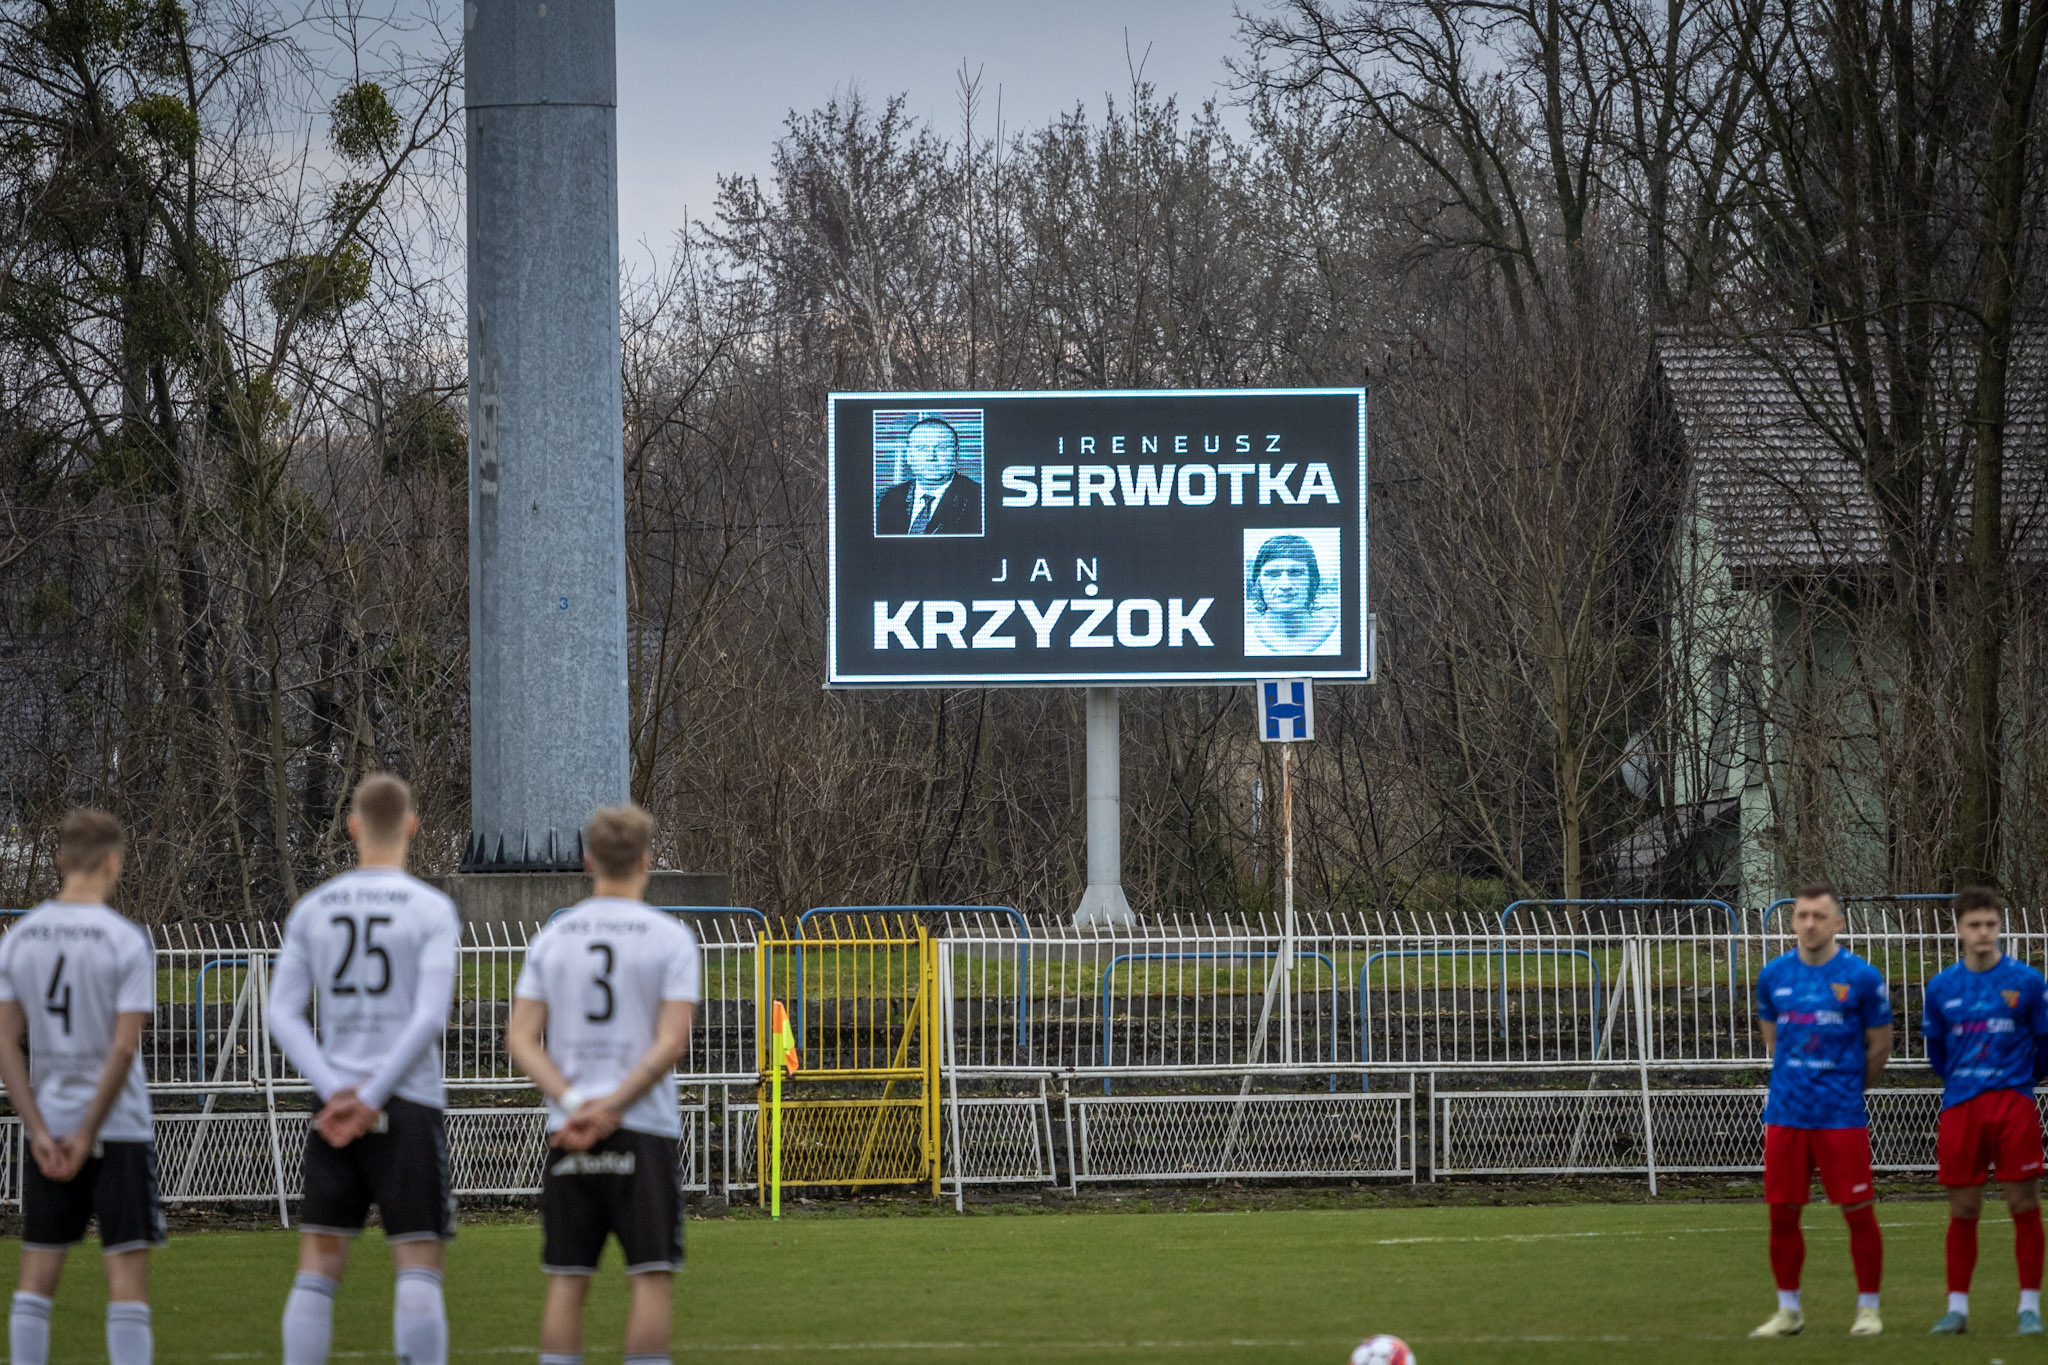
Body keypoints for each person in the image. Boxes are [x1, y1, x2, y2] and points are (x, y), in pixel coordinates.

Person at [266, 774, 459, 1365]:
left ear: (351, 826)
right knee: (419, 1268)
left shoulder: (314, 907)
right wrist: (372, 1097)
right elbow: (429, 1017)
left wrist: (337, 1092)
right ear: (411, 825)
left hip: (335, 1107)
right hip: (408, 1100)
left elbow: (281, 1014)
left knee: (318, 1270)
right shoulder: (431, 908)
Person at [506, 804, 701, 1365]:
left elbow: (520, 1039)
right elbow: (671, 1043)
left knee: (568, 1282)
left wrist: (576, 1105)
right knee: (650, 1280)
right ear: (646, 861)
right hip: (645, 1126)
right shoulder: (671, 938)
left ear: (588, 860)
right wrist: (612, 1107)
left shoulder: (554, 938)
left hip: (569, 1130)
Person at [0, 808, 161, 1365]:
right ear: (114, 862)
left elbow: (5, 1043)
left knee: (36, 1279)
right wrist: (90, 1130)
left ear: (60, 860)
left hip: (51, 1124)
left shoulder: (20, 938)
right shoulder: (126, 940)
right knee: (127, 1282)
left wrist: (39, 1131)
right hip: (119, 1127)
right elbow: (124, 1047)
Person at [1749, 881, 1893, 1338]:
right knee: (1782, 1215)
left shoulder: (1862, 977)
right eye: (1802, 916)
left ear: (1837, 923)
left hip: (1840, 1117)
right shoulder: (1773, 976)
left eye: (1819, 916)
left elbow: (1880, 1046)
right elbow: (1775, 1043)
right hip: (1786, 1115)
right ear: (1793, 921)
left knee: (1858, 1211)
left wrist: (1848, 1090)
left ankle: (1868, 1310)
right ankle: (1788, 1311)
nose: (1809, 924)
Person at [1922, 885, 2048, 1336]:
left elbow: (2044, 1045)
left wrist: (2019, 1080)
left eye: (1990, 924)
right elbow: (1937, 1052)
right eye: (1974, 924)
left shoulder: (2027, 982)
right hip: (1961, 1107)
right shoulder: (1941, 987)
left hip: (2014, 1104)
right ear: (1959, 929)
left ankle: (2029, 1309)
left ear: (1999, 926)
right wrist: (1964, 1081)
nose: (1983, 932)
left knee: (2023, 1202)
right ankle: (1957, 1309)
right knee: (1964, 1207)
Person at [874, 416, 983, 536]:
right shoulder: (883, 499)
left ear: (956, 455)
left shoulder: (979, 499)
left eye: (942, 448)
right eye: (922, 448)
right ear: (909, 456)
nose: (931, 457)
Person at [1244, 533, 1340, 655]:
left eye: (1295, 573)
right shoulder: (1246, 641)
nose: (1285, 585)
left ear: (1312, 581)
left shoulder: (1339, 635)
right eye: (1273, 574)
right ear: (1258, 583)